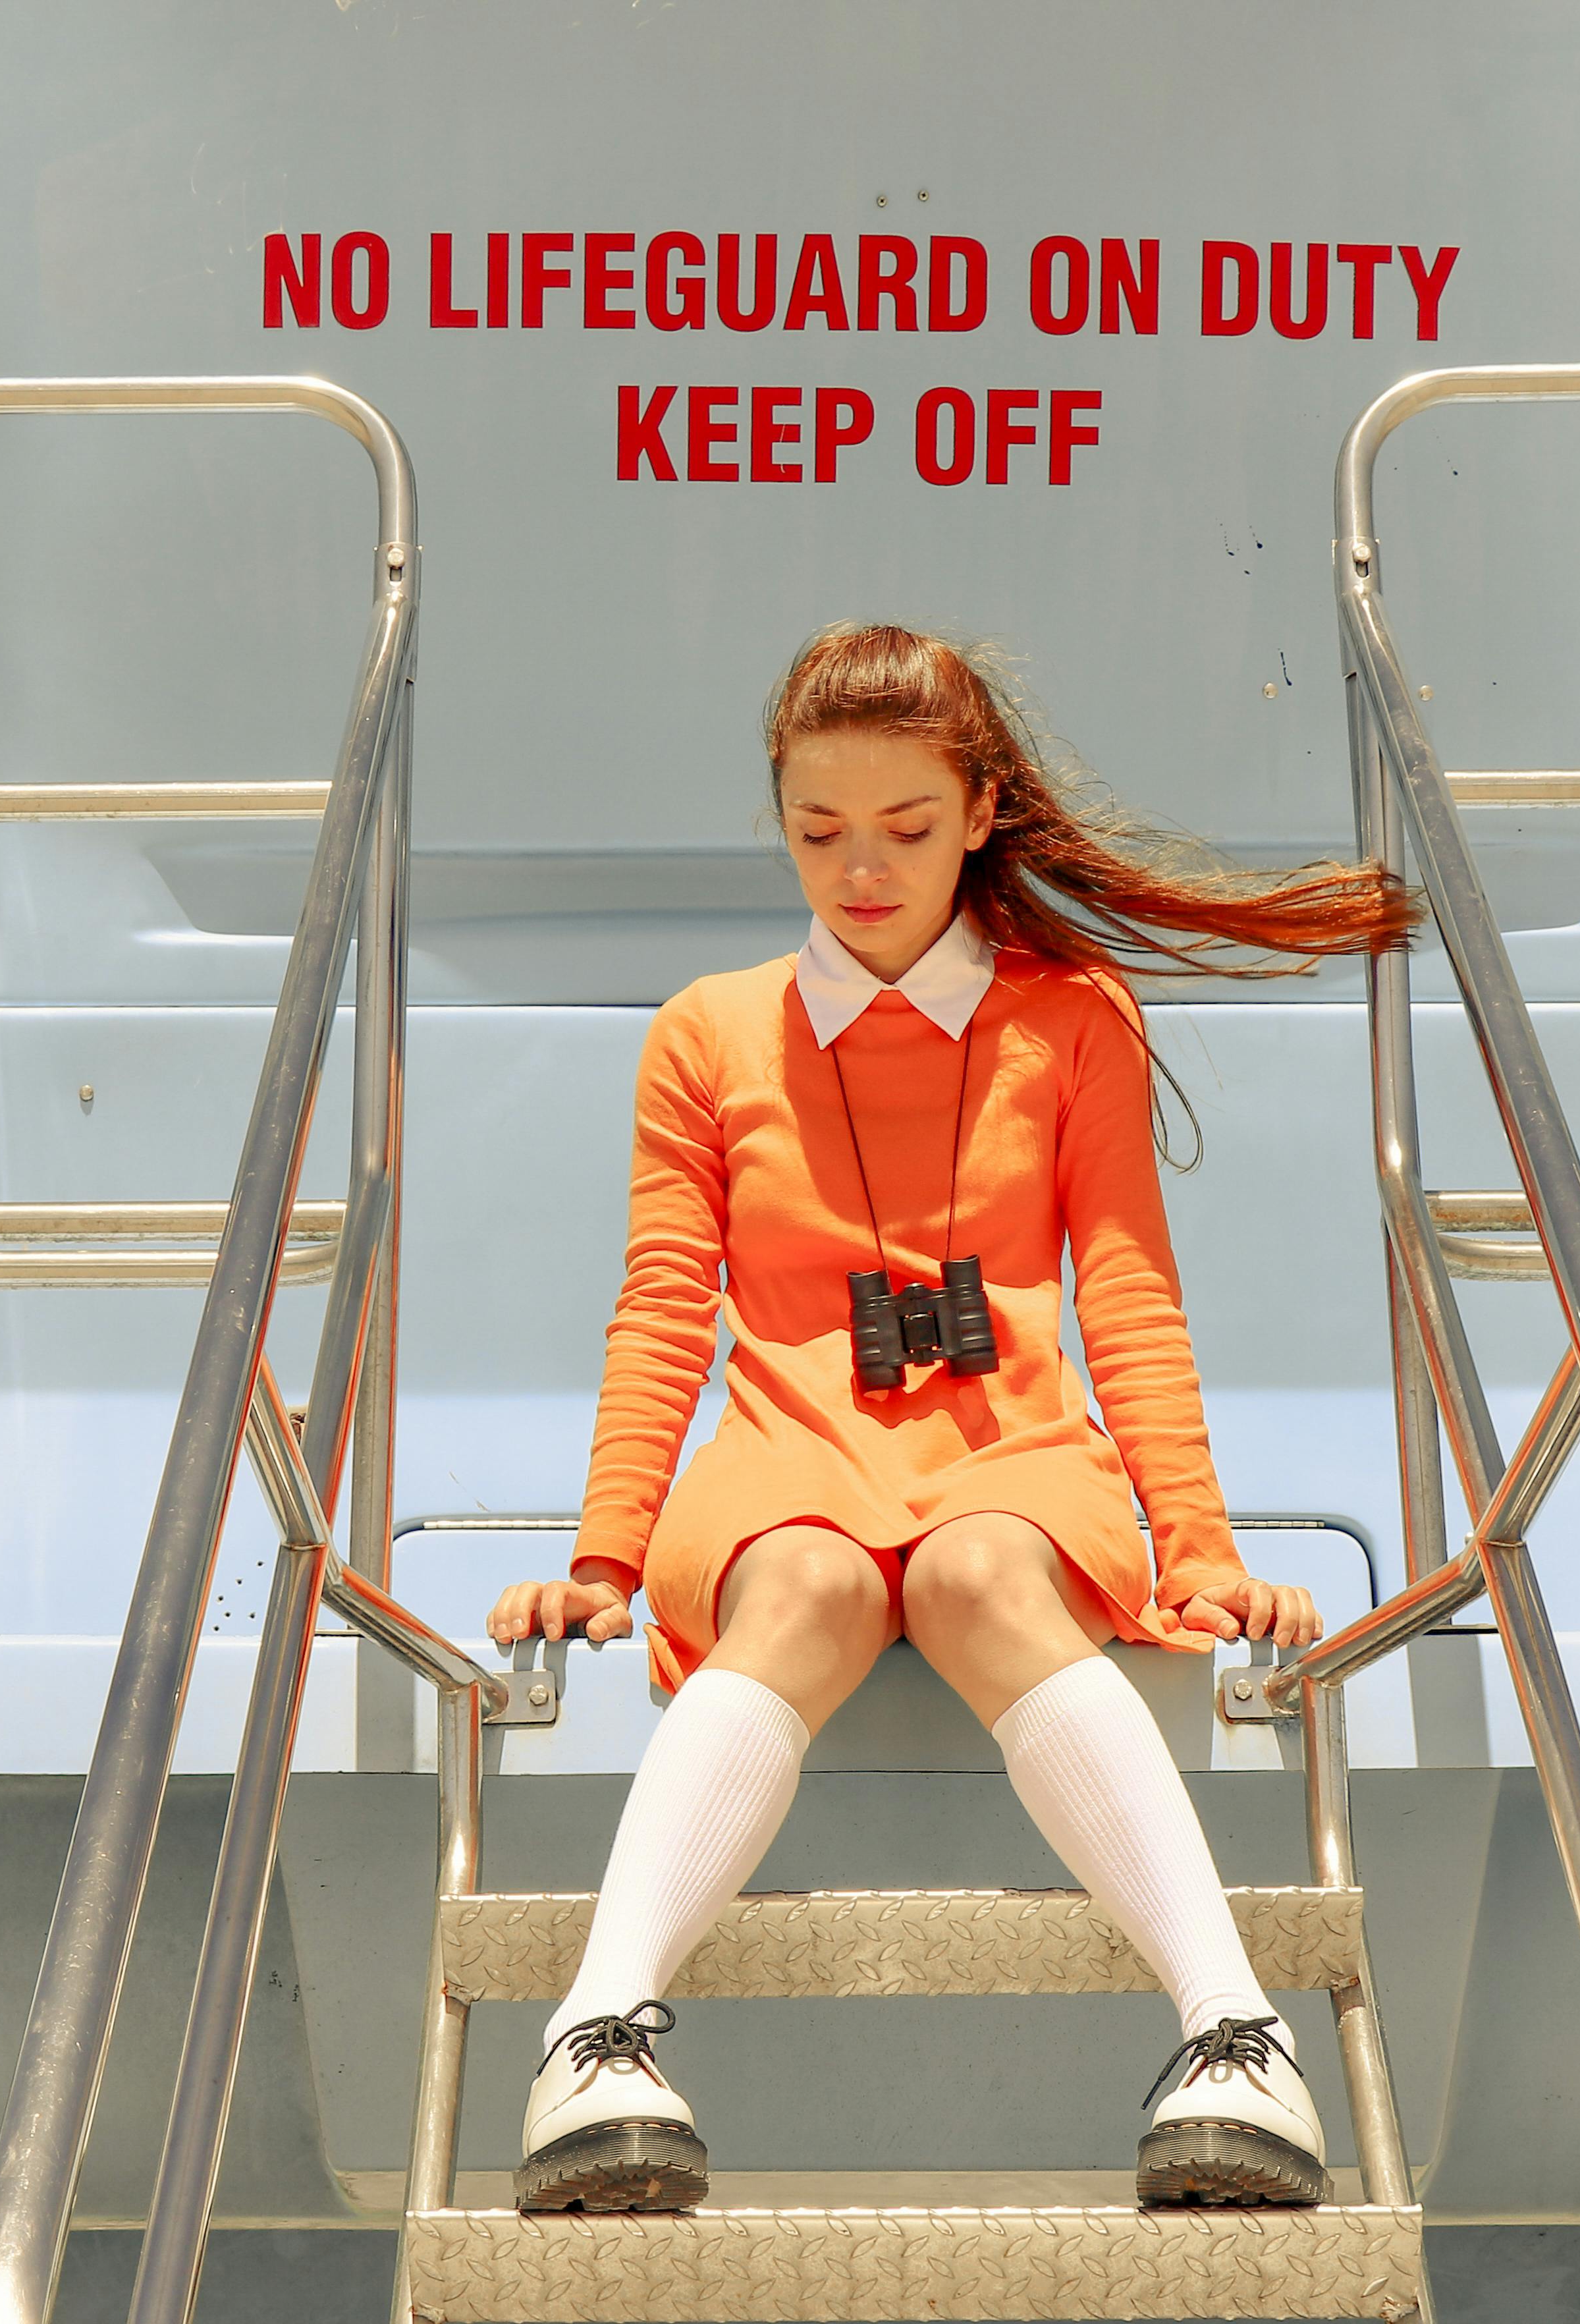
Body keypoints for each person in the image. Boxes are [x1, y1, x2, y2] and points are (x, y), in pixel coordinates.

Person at [487, 623, 1418, 2215]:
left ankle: (1235, 2031)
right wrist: (604, 1556)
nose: (861, 872)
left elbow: (1127, 1292)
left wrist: (1197, 1550)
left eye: (908, 830)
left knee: (981, 1570)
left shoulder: (1074, 1020)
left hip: (1015, 1457)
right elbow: (662, 1306)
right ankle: (597, 2032)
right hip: (787, 1446)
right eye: (817, 831)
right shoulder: (707, 1032)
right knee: (808, 1581)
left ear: (982, 811)